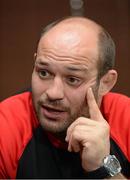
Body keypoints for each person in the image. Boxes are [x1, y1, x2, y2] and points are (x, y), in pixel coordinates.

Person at [0, 16, 130, 179]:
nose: (53, 93)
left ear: (105, 83)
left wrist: (102, 167)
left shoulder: (125, 118)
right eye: (44, 73)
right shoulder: (7, 123)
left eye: (72, 79)